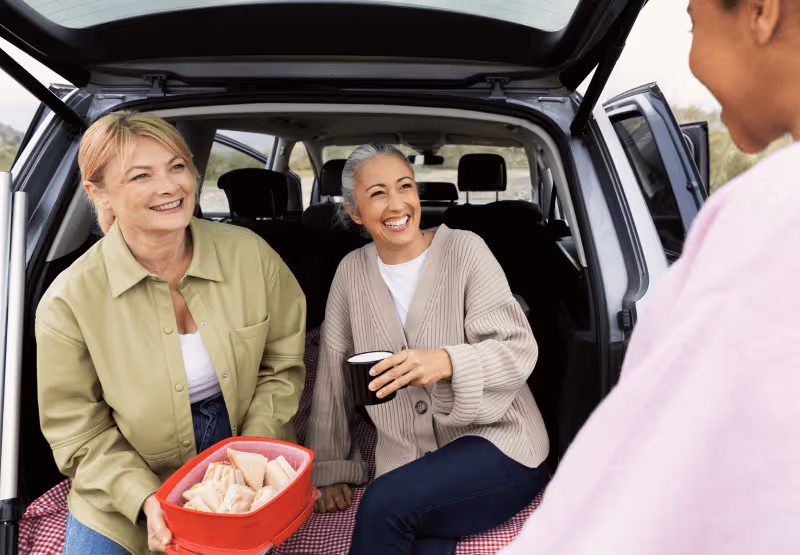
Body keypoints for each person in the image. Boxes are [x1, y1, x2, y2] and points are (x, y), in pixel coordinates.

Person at [500, 0, 800, 553]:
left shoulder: (771, 216)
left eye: (694, 23)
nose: (692, 56)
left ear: (761, 12)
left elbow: (651, 488)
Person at [36, 112, 307, 555]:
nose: (170, 187)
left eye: (177, 166)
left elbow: (283, 366)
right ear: (97, 192)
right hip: (126, 469)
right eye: (142, 175)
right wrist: (143, 498)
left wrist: (251, 457)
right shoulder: (68, 301)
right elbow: (78, 433)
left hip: (242, 445)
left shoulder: (251, 256)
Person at [306, 143, 550, 555]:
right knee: (419, 532)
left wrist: (449, 362)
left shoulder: (466, 250)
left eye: (405, 186)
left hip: (498, 442)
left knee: (383, 505)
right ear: (354, 212)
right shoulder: (350, 272)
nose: (397, 203)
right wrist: (330, 468)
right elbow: (333, 371)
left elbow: (517, 349)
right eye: (378, 193)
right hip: (407, 460)